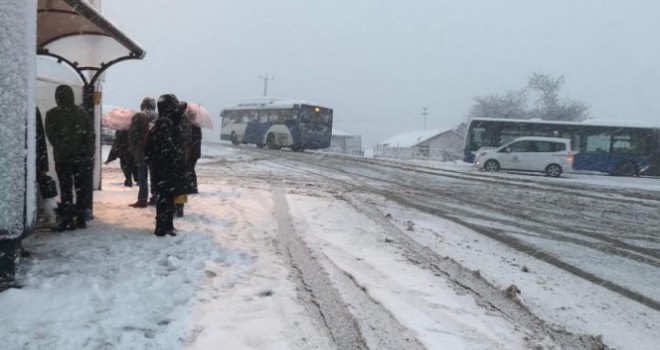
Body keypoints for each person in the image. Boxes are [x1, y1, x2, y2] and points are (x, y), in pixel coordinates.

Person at [45, 85, 94, 231]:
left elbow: (52, 137)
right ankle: (80, 218)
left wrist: (66, 150)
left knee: (66, 189)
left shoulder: (52, 114)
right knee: (81, 189)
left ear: (57, 97)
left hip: (62, 158)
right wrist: (84, 152)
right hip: (81, 159)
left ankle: (67, 219)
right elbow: (90, 136)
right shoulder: (82, 113)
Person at [145, 94, 188, 237]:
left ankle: (167, 225)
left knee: (168, 197)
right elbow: (167, 146)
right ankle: (162, 227)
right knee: (165, 198)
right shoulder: (165, 124)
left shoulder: (166, 122)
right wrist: (178, 153)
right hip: (166, 168)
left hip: (165, 168)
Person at [128, 97, 157, 208]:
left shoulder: (139, 116)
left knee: (142, 176)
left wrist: (134, 149)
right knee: (154, 176)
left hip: (142, 151)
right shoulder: (158, 116)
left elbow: (133, 134)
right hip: (155, 152)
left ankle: (142, 199)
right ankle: (155, 197)